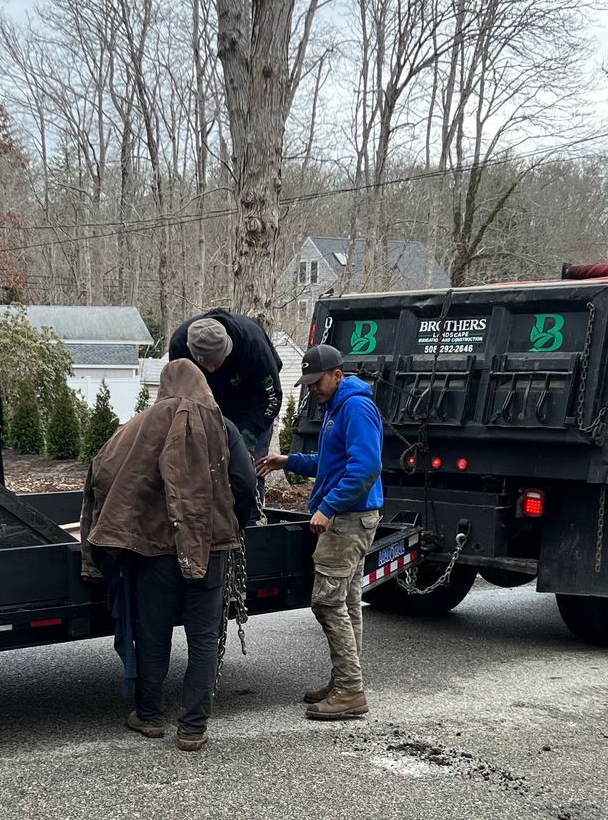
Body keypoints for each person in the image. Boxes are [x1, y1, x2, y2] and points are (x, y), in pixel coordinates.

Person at [81, 360, 248, 752]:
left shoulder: (140, 426)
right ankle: (193, 728)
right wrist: (228, 525)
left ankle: (150, 716)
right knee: (204, 637)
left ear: (164, 387)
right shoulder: (222, 425)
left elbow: (103, 471)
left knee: (153, 633)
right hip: (211, 546)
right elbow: (243, 482)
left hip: (156, 551)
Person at [257, 344, 383, 720]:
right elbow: (332, 463)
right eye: (307, 383)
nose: (312, 388)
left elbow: (365, 468)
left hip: (348, 520)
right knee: (346, 601)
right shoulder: (335, 408)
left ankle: (350, 691)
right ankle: (345, 680)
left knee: (326, 601)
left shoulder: (355, 408)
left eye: (317, 381)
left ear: (338, 375)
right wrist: (289, 460)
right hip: (354, 516)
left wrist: (328, 507)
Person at [167, 309, 283, 458]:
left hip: (252, 405)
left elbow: (271, 399)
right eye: (205, 364)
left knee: (248, 467)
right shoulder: (179, 346)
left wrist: (247, 441)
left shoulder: (252, 344)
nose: (211, 369)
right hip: (207, 407)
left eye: (216, 362)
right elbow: (179, 397)